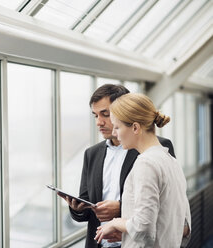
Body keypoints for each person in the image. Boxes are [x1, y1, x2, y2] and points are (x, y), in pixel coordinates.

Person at [59, 84, 175, 248]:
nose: (99, 122)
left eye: (105, 114)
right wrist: (77, 208)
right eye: (95, 115)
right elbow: (86, 211)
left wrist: (121, 209)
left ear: (123, 110)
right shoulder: (91, 154)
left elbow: (168, 206)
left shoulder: (156, 149)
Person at [94, 93, 191, 247]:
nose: (114, 133)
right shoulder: (170, 161)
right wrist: (129, 233)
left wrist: (117, 223)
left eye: (117, 127)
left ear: (135, 127)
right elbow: (183, 226)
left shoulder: (146, 163)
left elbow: (143, 229)